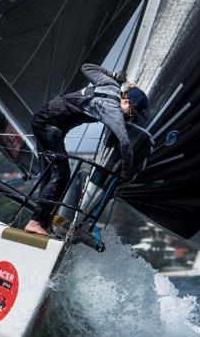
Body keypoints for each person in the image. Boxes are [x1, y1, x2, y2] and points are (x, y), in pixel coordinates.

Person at [23, 63, 148, 236]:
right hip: (49, 125)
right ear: (125, 101)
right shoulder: (113, 110)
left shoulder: (110, 85)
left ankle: (42, 221)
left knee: (52, 175)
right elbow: (124, 142)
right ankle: (36, 222)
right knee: (62, 175)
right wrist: (127, 170)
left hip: (46, 119)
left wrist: (113, 75)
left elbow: (86, 67)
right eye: (132, 112)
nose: (130, 117)